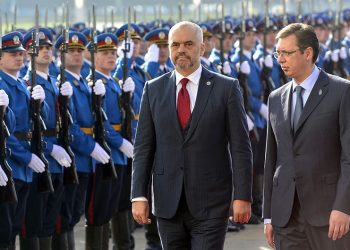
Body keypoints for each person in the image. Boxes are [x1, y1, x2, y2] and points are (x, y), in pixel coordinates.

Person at [131, 21, 252, 250]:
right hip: (168, 202)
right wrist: (138, 195)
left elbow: (240, 148)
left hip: (211, 201)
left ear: (202, 48)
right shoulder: (153, 89)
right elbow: (143, 148)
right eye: (175, 45)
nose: (181, 50)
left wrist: (243, 196)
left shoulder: (226, 88)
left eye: (188, 44)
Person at [263, 23, 350, 250]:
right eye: (278, 53)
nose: (280, 59)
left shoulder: (341, 92)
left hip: (328, 216)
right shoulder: (275, 98)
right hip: (286, 217)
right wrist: (269, 215)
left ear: (308, 53)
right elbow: (272, 159)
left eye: (287, 53)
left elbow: (348, 157)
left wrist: (344, 207)